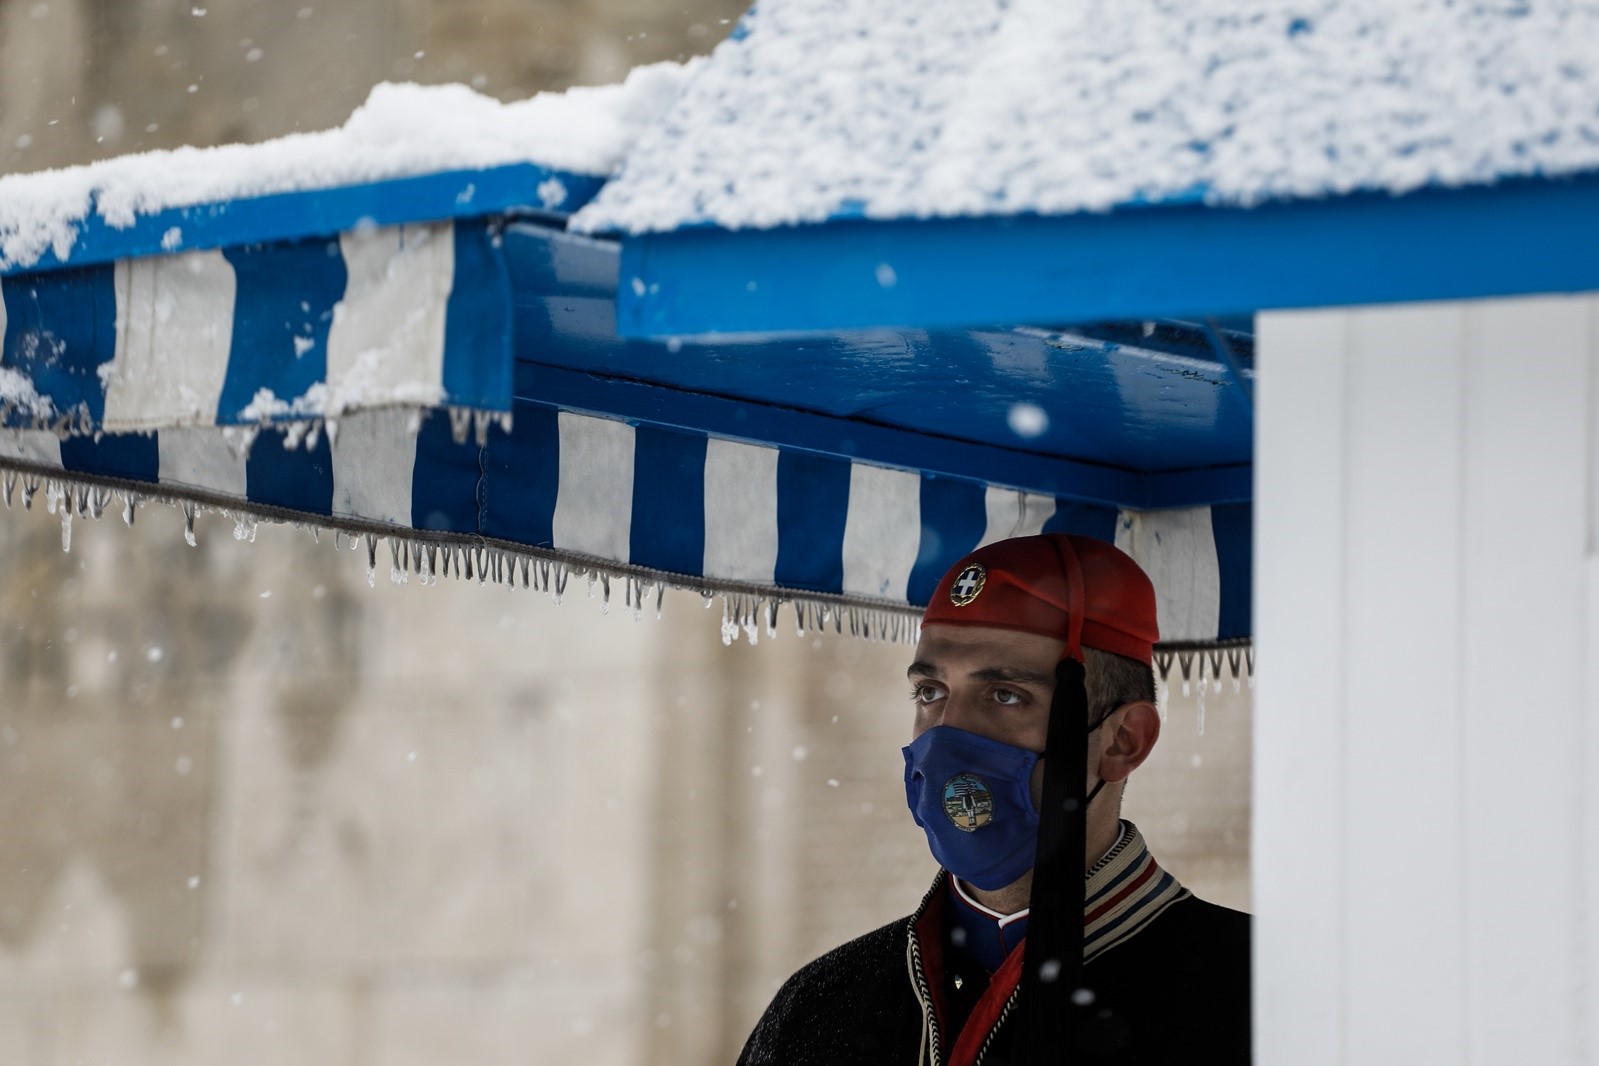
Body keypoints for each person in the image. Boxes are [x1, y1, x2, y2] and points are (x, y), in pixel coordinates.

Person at [737, 534, 1250, 1065]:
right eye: (930, 692)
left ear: (1125, 740)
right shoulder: (820, 1007)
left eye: (1006, 695)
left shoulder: (1260, 998)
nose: (948, 734)